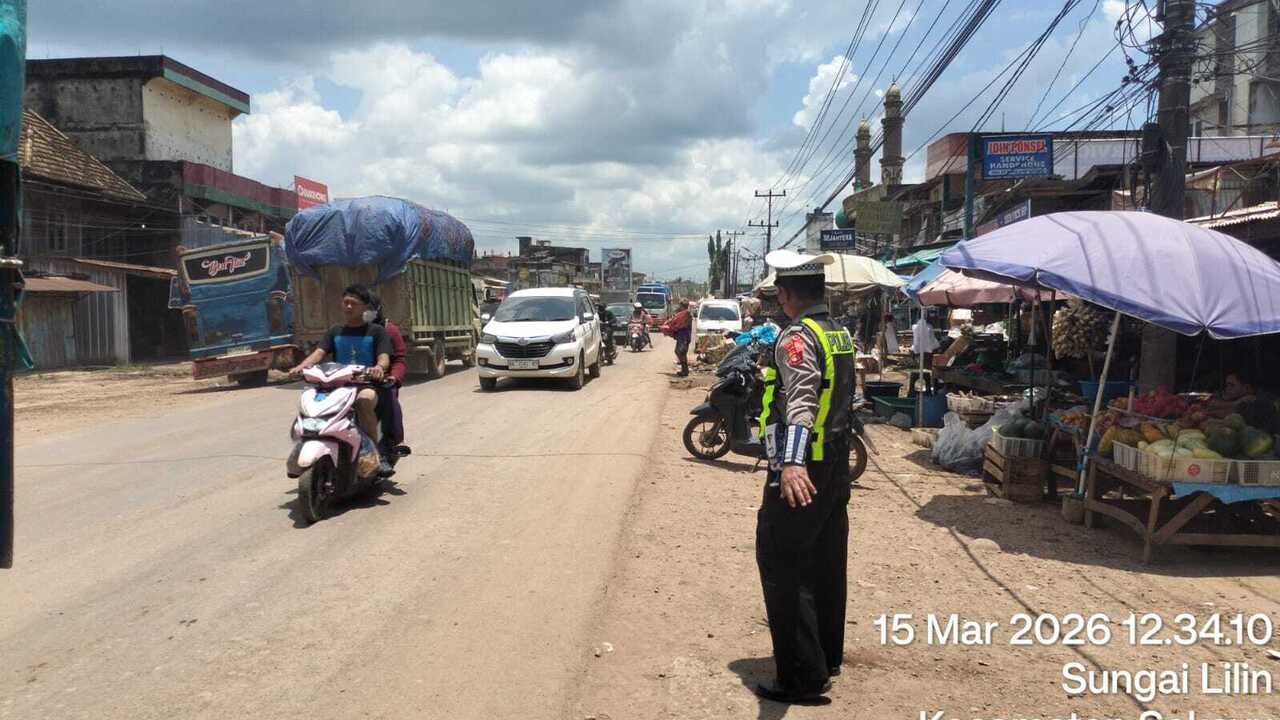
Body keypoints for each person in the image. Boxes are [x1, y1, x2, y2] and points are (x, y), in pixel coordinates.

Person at [752, 250, 855, 704]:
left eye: (778, 292)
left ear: (786, 293)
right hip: (834, 460)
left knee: (782, 561)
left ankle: (802, 677)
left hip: (805, 466)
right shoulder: (838, 333)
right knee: (825, 560)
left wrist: (792, 463)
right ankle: (826, 656)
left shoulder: (797, 336)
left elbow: (802, 398)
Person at [289, 284, 394, 475]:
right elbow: (318, 354)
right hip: (336, 386)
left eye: (353, 303)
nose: (348, 307)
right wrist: (300, 367)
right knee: (309, 400)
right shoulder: (335, 331)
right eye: (345, 302)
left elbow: (384, 358)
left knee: (364, 400)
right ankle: (307, 442)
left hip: (364, 385)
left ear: (365, 307)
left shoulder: (376, 331)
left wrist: (379, 368)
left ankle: (372, 454)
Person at [370, 292, 408, 457]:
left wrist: (394, 377)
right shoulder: (348, 331)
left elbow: (399, 359)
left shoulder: (389, 330)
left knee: (389, 397)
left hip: (380, 381)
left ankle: (391, 445)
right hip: (352, 382)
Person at [664, 299, 693, 376]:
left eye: (680, 305)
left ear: (682, 306)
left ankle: (685, 370)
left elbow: (681, 323)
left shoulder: (686, 313)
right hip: (681, 335)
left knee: (680, 352)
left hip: (684, 336)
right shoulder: (683, 313)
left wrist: (673, 326)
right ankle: (685, 370)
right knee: (680, 352)